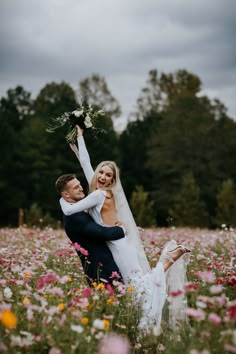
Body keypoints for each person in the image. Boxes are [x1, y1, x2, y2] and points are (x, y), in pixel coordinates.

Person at [59, 126, 190, 331]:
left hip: (118, 245)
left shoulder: (99, 195)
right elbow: (85, 163)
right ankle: (138, 320)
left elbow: (69, 211)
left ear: (113, 180)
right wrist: (81, 138)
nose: (102, 176)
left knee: (137, 285)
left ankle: (169, 259)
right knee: (132, 286)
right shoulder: (96, 190)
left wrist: (61, 199)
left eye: (108, 175)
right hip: (113, 243)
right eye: (101, 172)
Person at [55, 174, 126, 286]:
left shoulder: (76, 209)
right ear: (66, 194)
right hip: (101, 271)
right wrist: (123, 229)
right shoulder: (75, 217)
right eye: (76, 187)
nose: (81, 188)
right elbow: (103, 233)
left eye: (79, 185)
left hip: (102, 269)